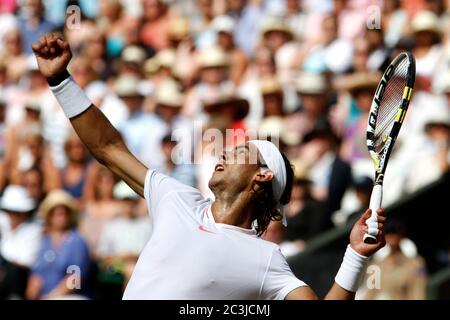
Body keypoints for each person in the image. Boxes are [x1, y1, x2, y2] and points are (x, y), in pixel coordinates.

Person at [32, 33, 387, 300]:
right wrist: (61, 81)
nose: (225, 153)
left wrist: (355, 254)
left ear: (262, 176)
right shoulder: (176, 197)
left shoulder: (268, 261)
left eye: (241, 151)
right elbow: (107, 147)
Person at [26, 190, 91, 300]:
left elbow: (75, 278)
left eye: (64, 213)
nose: (61, 217)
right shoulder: (44, 241)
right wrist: (33, 293)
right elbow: (36, 274)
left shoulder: (77, 241)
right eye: (56, 214)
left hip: (70, 296)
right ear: (50, 216)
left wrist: (52, 296)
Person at [0, 185, 41, 299]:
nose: (12, 215)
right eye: (9, 211)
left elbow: (26, 262)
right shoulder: (3, 222)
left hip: (19, 280)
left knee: (14, 272)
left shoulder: (34, 230)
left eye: (16, 212)